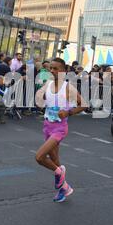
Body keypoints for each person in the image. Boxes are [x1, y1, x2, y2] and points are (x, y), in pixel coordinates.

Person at [35, 58, 86, 203]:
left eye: (56, 69)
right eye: (51, 68)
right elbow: (41, 100)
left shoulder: (68, 88)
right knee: (55, 160)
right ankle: (65, 188)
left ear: (63, 71)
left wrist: (68, 113)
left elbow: (83, 105)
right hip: (47, 126)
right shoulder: (48, 84)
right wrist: (41, 101)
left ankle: (60, 172)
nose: (52, 71)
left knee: (39, 157)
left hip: (59, 128)